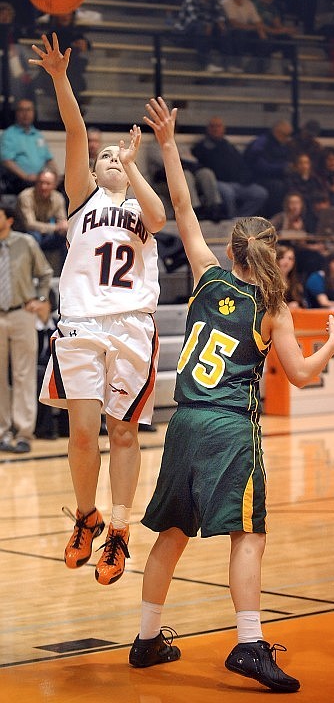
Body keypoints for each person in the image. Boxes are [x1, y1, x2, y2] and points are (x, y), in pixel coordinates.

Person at [128, 96, 334, 693]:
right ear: (271, 254)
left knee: (171, 533)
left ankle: (147, 638)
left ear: (231, 249)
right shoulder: (273, 306)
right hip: (229, 426)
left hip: (185, 420)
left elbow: (180, 205)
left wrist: (167, 142)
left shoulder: (205, 271)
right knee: (247, 535)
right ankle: (249, 645)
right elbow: (300, 376)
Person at [29, 33, 166, 585]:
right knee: (83, 431)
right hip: (83, 322)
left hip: (132, 323)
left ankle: (119, 529)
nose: (109, 159)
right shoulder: (82, 197)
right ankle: (86, 515)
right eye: (106, 156)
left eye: (117, 155)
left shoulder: (138, 203)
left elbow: (160, 218)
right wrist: (61, 77)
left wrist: (133, 165)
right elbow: (77, 130)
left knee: (124, 432)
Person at [0, 199, 53, 454]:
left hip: (21, 312)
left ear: (9, 219)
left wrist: (41, 299)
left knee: (24, 374)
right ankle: (2, 431)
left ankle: (23, 432)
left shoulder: (26, 242)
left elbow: (45, 273)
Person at [192, 116, 267, 218]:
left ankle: (240, 217)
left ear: (223, 129)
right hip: (218, 182)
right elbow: (203, 169)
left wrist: (245, 177)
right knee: (228, 193)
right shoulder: (201, 147)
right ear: (208, 129)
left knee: (260, 193)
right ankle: (230, 219)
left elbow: (241, 164)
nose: (215, 129)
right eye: (213, 126)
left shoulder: (228, 146)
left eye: (218, 126)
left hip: (237, 182)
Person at [146, 136, 223, 221]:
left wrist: (185, 162)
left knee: (206, 173)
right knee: (185, 175)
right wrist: (184, 162)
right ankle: (195, 209)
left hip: (187, 173)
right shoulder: (153, 147)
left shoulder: (180, 145)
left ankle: (214, 207)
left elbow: (193, 161)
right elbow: (169, 163)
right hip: (164, 181)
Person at [0, 97, 58, 194]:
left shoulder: (38, 135)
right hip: (20, 181)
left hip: (40, 179)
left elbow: (49, 159)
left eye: (28, 110)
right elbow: (7, 162)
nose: (25, 113)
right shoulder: (9, 134)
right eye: (22, 110)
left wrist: (55, 176)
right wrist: (26, 176)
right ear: (16, 113)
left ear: (33, 112)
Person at [173, 0, 229, 72]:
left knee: (225, 29)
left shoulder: (214, 1)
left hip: (203, 34)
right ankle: (206, 64)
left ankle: (228, 64)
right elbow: (196, 17)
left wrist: (218, 23)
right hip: (184, 34)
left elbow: (221, 15)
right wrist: (211, 22)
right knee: (200, 25)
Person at [17, 168, 68, 272]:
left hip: (46, 233)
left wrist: (64, 227)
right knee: (33, 237)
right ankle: (34, 274)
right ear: (36, 182)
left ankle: (64, 273)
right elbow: (29, 224)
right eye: (41, 182)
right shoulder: (26, 196)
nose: (43, 186)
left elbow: (62, 222)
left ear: (54, 185)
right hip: (23, 234)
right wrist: (56, 227)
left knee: (67, 238)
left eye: (48, 183)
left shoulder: (58, 197)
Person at [243, 119, 293, 217]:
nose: (288, 138)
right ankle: (273, 217)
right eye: (286, 135)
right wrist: (282, 168)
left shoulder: (282, 145)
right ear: (277, 132)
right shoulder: (261, 143)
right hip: (258, 177)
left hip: (277, 176)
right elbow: (258, 165)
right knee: (278, 187)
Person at [221, 0, 268, 72]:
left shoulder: (249, 3)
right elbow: (234, 23)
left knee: (264, 40)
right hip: (230, 32)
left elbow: (257, 21)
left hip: (246, 32)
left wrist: (262, 34)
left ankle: (256, 68)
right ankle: (235, 64)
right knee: (239, 33)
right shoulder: (226, 2)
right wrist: (254, 28)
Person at [276, 243, 305, 308]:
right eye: (282, 257)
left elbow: (303, 305)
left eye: (290, 259)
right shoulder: (268, 283)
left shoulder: (296, 284)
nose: (286, 262)